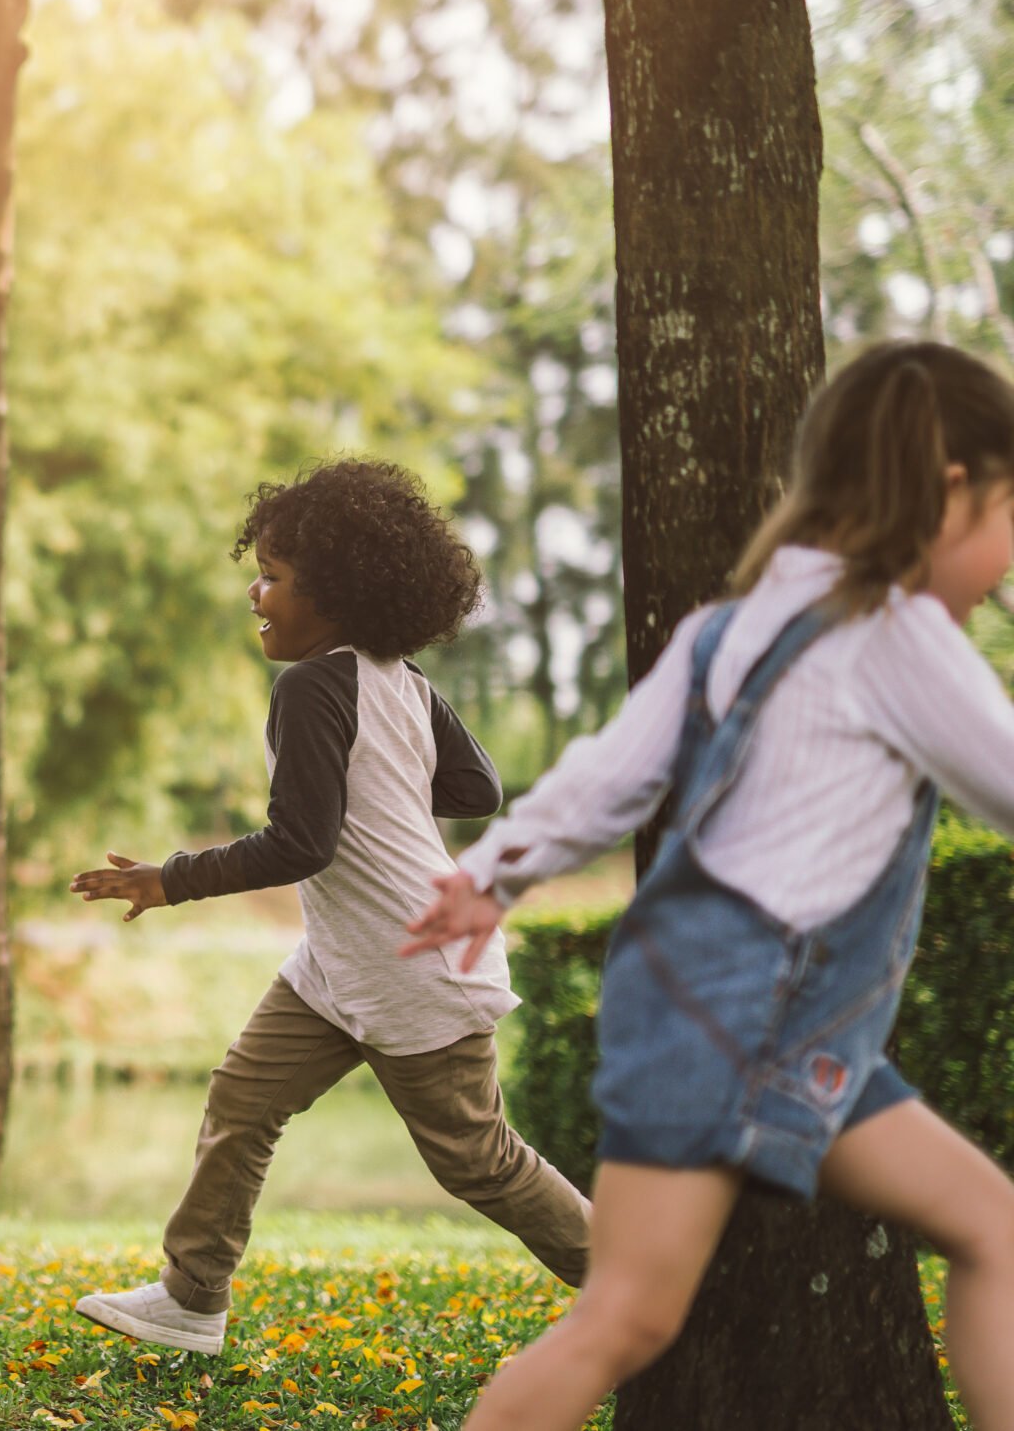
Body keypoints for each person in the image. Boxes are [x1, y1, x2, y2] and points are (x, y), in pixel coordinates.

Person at [406, 341, 1014, 1430]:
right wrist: (492, 873)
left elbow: (608, 772)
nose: (1009, 555)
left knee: (991, 1226)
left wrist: (493, 871)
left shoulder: (730, 629)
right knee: (625, 1317)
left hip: (763, 1021)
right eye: (1013, 512)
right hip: (747, 1014)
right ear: (950, 488)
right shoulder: (892, 630)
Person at [72, 458, 591, 1354]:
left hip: (412, 960)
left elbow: (301, 841)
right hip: (342, 963)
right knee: (243, 1096)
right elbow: (476, 786)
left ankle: (644, 1285)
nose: (256, 591)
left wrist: (172, 878)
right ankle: (193, 1295)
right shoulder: (399, 678)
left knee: (478, 1159)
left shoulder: (313, 686)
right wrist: (387, 787)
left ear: (339, 595)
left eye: (274, 576)